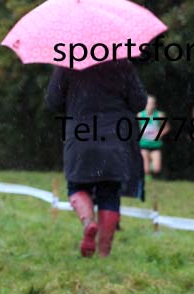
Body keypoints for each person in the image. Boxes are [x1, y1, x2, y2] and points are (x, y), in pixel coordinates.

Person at [45, 59, 147, 257]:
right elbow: (139, 102)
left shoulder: (67, 63)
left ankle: (88, 222)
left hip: (80, 137)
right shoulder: (121, 64)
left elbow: (53, 101)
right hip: (115, 138)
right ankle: (103, 253)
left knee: (76, 187)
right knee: (109, 192)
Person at [138, 95, 170, 178]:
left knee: (157, 169)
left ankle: (149, 167)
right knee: (146, 169)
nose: (150, 105)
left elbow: (166, 127)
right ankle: (147, 182)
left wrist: (160, 133)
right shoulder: (140, 115)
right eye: (148, 103)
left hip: (155, 145)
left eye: (152, 103)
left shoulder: (160, 115)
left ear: (155, 105)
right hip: (143, 144)